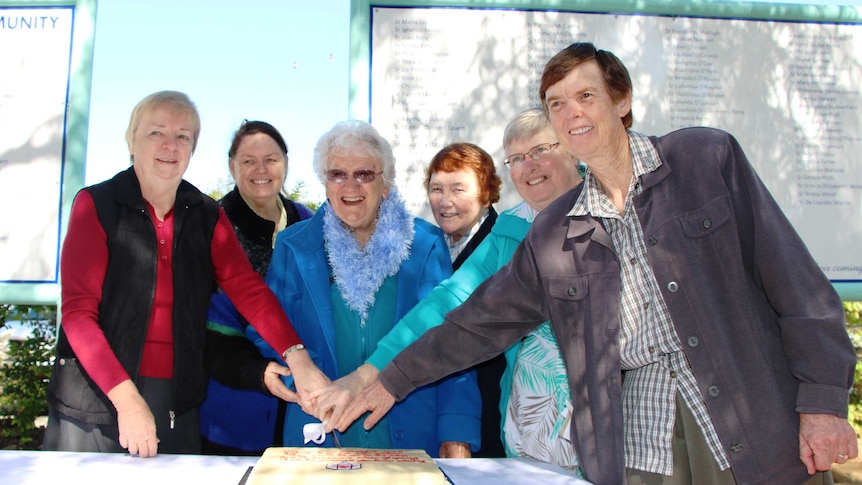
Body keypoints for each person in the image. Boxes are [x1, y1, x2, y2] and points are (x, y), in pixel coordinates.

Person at [334, 43, 858, 485]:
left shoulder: (706, 159)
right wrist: (388, 380)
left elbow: (799, 287)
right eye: (556, 104)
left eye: (585, 96)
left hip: (751, 426)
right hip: (641, 450)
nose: (571, 113)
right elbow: (477, 322)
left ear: (622, 99)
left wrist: (824, 402)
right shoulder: (556, 230)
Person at [43, 91, 328, 458]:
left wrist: (298, 359)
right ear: (132, 140)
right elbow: (78, 317)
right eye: (156, 133)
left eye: (183, 136)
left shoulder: (205, 215)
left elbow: (249, 291)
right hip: (98, 396)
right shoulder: (96, 205)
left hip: (178, 400)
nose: (170, 145)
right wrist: (127, 401)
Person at [313, 108, 583, 470]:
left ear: (570, 147)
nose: (528, 166)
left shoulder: (609, 206)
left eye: (539, 151)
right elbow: (447, 305)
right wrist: (370, 374)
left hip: (609, 416)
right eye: (516, 158)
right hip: (532, 426)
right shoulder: (514, 227)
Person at [247, 119, 481, 458]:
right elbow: (266, 331)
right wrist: (300, 378)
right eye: (337, 174)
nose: (350, 185)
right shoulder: (294, 246)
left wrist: (456, 430)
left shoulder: (425, 244)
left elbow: (452, 337)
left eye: (364, 174)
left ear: (385, 184)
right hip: (320, 432)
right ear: (325, 183)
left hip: (411, 434)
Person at [199, 120, 314, 455]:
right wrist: (256, 370)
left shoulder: (309, 223)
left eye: (271, 159)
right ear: (232, 166)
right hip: (233, 406)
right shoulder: (210, 225)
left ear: (286, 163)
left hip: (303, 407)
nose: (261, 169)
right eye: (249, 161)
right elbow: (201, 327)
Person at [425, 141, 506, 457]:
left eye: (458, 189)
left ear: (485, 191)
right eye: (436, 189)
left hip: (494, 414)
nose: (445, 201)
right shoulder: (431, 247)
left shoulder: (504, 247)